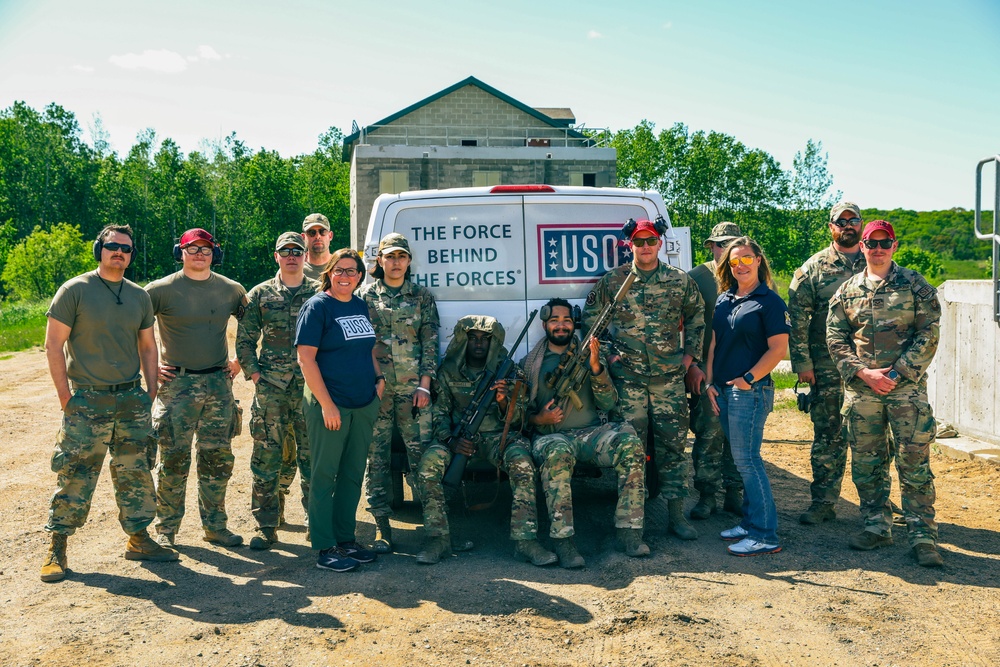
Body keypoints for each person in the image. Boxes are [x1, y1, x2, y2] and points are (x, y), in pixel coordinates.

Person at [41, 225, 178, 582]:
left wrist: (149, 393)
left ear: (131, 255)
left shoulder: (138, 296)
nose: (119, 252)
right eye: (112, 246)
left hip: (130, 398)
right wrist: (65, 398)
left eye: (126, 249)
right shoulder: (75, 291)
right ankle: (58, 546)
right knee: (76, 473)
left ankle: (139, 538)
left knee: (135, 471)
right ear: (99, 249)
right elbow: (53, 344)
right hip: (88, 399)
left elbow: (148, 346)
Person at [826, 220, 943, 567]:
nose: (878, 248)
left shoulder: (914, 285)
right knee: (867, 464)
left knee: (914, 464)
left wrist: (896, 373)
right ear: (861, 246)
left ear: (894, 246)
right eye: (871, 243)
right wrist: (863, 373)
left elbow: (929, 333)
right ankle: (876, 525)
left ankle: (922, 536)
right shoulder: (847, 291)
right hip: (863, 393)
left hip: (905, 392)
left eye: (884, 242)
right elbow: (834, 337)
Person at [583, 218, 705, 541]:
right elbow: (590, 324)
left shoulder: (679, 281)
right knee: (631, 451)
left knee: (673, 447)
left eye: (650, 241)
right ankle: (632, 522)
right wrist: (609, 356)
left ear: (660, 243)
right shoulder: (614, 282)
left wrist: (690, 358)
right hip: (630, 380)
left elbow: (697, 316)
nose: (645, 247)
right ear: (630, 245)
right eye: (639, 242)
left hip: (669, 380)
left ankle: (676, 516)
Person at [414, 315, 556, 566]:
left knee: (523, 464)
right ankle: (438, 540)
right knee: (428, 464)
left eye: (485, 339)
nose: (479, 344)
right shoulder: (447, 371)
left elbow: (521, 418)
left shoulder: (509, 369)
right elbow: (439, 414)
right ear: (463, 340)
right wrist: (450, 441)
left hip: (498, 437)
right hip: (459, 438)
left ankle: (525, 541)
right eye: (472, 338)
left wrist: (504, 401)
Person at [524, 299, 648, 568]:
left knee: (629, 442)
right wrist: (538, 418)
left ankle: (630, 533)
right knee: (556, 453)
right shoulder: (531, 364)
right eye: (555, 320)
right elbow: (516, 415)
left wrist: (595, 368)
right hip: (550, 438)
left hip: (592, 434)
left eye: (567, 320)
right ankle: (564, 542)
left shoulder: (589, 357)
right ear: (545, 324)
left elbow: (608, 403)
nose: (561, 325)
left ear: (574, 324)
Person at [146, 228, 247, 548]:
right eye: (192, 248)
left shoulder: (231, 290)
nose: (199, 254)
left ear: (214, 253)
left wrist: (239, 361)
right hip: (177, 385)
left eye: (206, 249)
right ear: (181, 252)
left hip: (218, 383)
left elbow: (254, 324)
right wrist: (147, 368)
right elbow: (132, 328)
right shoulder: (159, 290)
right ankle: (166, 530)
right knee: (173, 461)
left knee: (217, 460)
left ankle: (215, 526)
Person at [295, 248, 383, 572]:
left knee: (351, 474)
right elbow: (306, 359)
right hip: (330, 404)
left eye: (352, 271)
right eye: (340, 270)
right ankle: (325, 546)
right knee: (324, 474)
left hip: (362, 404)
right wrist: (327, 405)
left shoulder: (360, 305)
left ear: (360, 276)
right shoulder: (317, 307)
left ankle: (346, 540)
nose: (345, 276)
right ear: (329, 273)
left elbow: (366, 347)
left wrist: (379, 378)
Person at [706, 237, 789, 557]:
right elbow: (714, 344)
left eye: (746, 259)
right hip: (724, 390)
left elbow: (778, 349)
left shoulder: (769, 302)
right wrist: (711, 383)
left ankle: (766, 534)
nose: (740, 265)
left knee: (749, 461)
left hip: (750, 391)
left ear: (758, 260)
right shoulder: (724, 299)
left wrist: (749, 379)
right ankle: (750, 522)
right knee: (742, 462)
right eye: (733, 261)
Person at [236, 232, 319, 550]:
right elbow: (244, 338)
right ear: (276, 256)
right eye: (285, 251)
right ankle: (266, 526)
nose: (292, 256)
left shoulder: (318, 293)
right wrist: (255, 374)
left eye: (297, 250)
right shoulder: (260, 294)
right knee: (266, 459)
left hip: (311, 390)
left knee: (314, 459)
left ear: (305, 256)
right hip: (271, 390)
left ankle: (318, 523)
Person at [788, 201, 867, 525]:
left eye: (853, 220)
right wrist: (803, 364)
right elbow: (797, 320)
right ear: (830, 227)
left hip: (868, 368)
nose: (848, 225)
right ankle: (823, 502)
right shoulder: (813, 269)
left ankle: (877, 507)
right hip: (826, 367)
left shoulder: (875, 260)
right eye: (841, 221)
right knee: (828, 437)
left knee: (872, 438)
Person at [359, 232, 439, 553]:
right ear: (379, 260)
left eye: (401, 256)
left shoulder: (422, 296)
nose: (395, 262)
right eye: (389, 256)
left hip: (412, 392)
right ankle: (382, 529)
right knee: (375, 459)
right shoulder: (364, 297)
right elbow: (359, 345)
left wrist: (425, 384)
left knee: (422, 458)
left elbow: (430, 343)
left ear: (408, 261)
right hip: (376, 392)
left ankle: (435, 530)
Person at [686, 221, 745, 520]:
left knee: (739, 436)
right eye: (720, 244)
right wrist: (692, 365)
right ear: (710, 246)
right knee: (708, 435)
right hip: (709, 373)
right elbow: (683, 323)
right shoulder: (697, 277)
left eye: (731, 244)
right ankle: (707, 495)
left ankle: (734, 494)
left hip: (744, 373)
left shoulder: (751, 274)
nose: (725, 250)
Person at [301, 213, 333, 282]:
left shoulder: (341, 267)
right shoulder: (295, 271)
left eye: (322, 231)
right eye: (312, 232)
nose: (318, 236)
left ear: (330, 236)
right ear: (303, 237)